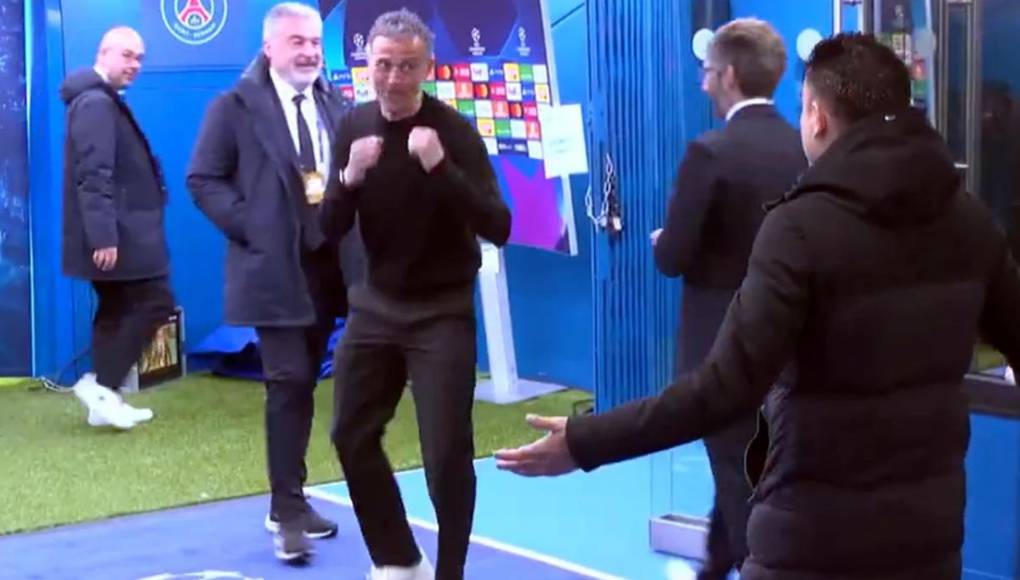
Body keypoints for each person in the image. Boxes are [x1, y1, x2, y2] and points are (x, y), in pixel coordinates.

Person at [496, 32, 1020, 580]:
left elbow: (725, 386)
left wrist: (584, 440)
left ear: (816, 116)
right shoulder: (970, 222)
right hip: (927, 538)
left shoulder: (800, 226)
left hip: (813, 539)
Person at [323, 8, 511, 580]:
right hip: (376, 307)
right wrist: (350, 178)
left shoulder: (452, 132)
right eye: (384, 65)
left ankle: (449, 572)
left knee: (445, 457)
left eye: (407, 66)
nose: (395, 78)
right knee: (350, 435)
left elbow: (497, 225)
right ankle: (398, 560)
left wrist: (439, 168)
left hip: (441, 313)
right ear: (367, 65)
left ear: (427, 68)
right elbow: (329, 226)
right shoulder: (353, 127)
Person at [186, 2, 347, 563]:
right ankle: (285, 511)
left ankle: (294, 498)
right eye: (298, 42)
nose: (309, 52)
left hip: (330, 268)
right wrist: (251, 225)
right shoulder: (233, 106)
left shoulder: (332, 99)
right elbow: (202, 178)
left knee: (303, 385)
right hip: (272, 268)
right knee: (288, 380)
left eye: (315, 43)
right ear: (269, 47)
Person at [649, 18, 805, 579]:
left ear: (730, 75)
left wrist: (663, 241)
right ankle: (714, 567)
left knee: (739, 484)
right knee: (741, 471)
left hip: (721, 349)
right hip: (787, 347)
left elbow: (673, 258)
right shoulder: (802, 149)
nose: (702, 84)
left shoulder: (709, 153)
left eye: (708, 73)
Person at [61, 27, 174, 431]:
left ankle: (103, 402)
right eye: (127, 55)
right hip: (119, 233)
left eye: (140, 58)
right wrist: (104, 236)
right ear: (102, 53)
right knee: (155, 301)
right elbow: (93, 174)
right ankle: (102, 388)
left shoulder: (98, 100)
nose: (135, 65)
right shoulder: (95, 104)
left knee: (114, 309)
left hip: (120, 229)